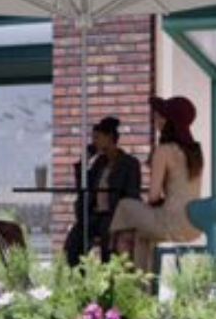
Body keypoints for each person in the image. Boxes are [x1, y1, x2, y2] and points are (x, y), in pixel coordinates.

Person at [111, 95, 206, 273]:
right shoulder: (196, 152)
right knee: (138, 235)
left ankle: (130, 287)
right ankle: (142, 287)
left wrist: (156, 203)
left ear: (167, 121)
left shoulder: (163, 151)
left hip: (171, 222)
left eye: (157, 116)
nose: (155, 120)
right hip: (194, 225)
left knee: (124, 207)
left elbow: (153, 196)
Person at [62, 117, 142, 266]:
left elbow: (132, 195)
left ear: (110, 137)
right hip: (95, 216)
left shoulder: (129, 163)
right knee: (72, 245)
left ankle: (109, 282)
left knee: (109, 248)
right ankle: (80, 281)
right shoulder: (100, 162)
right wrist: (83, 161)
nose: (94, 142)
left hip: (115, 216)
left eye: (97, 137)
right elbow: (83, 189)